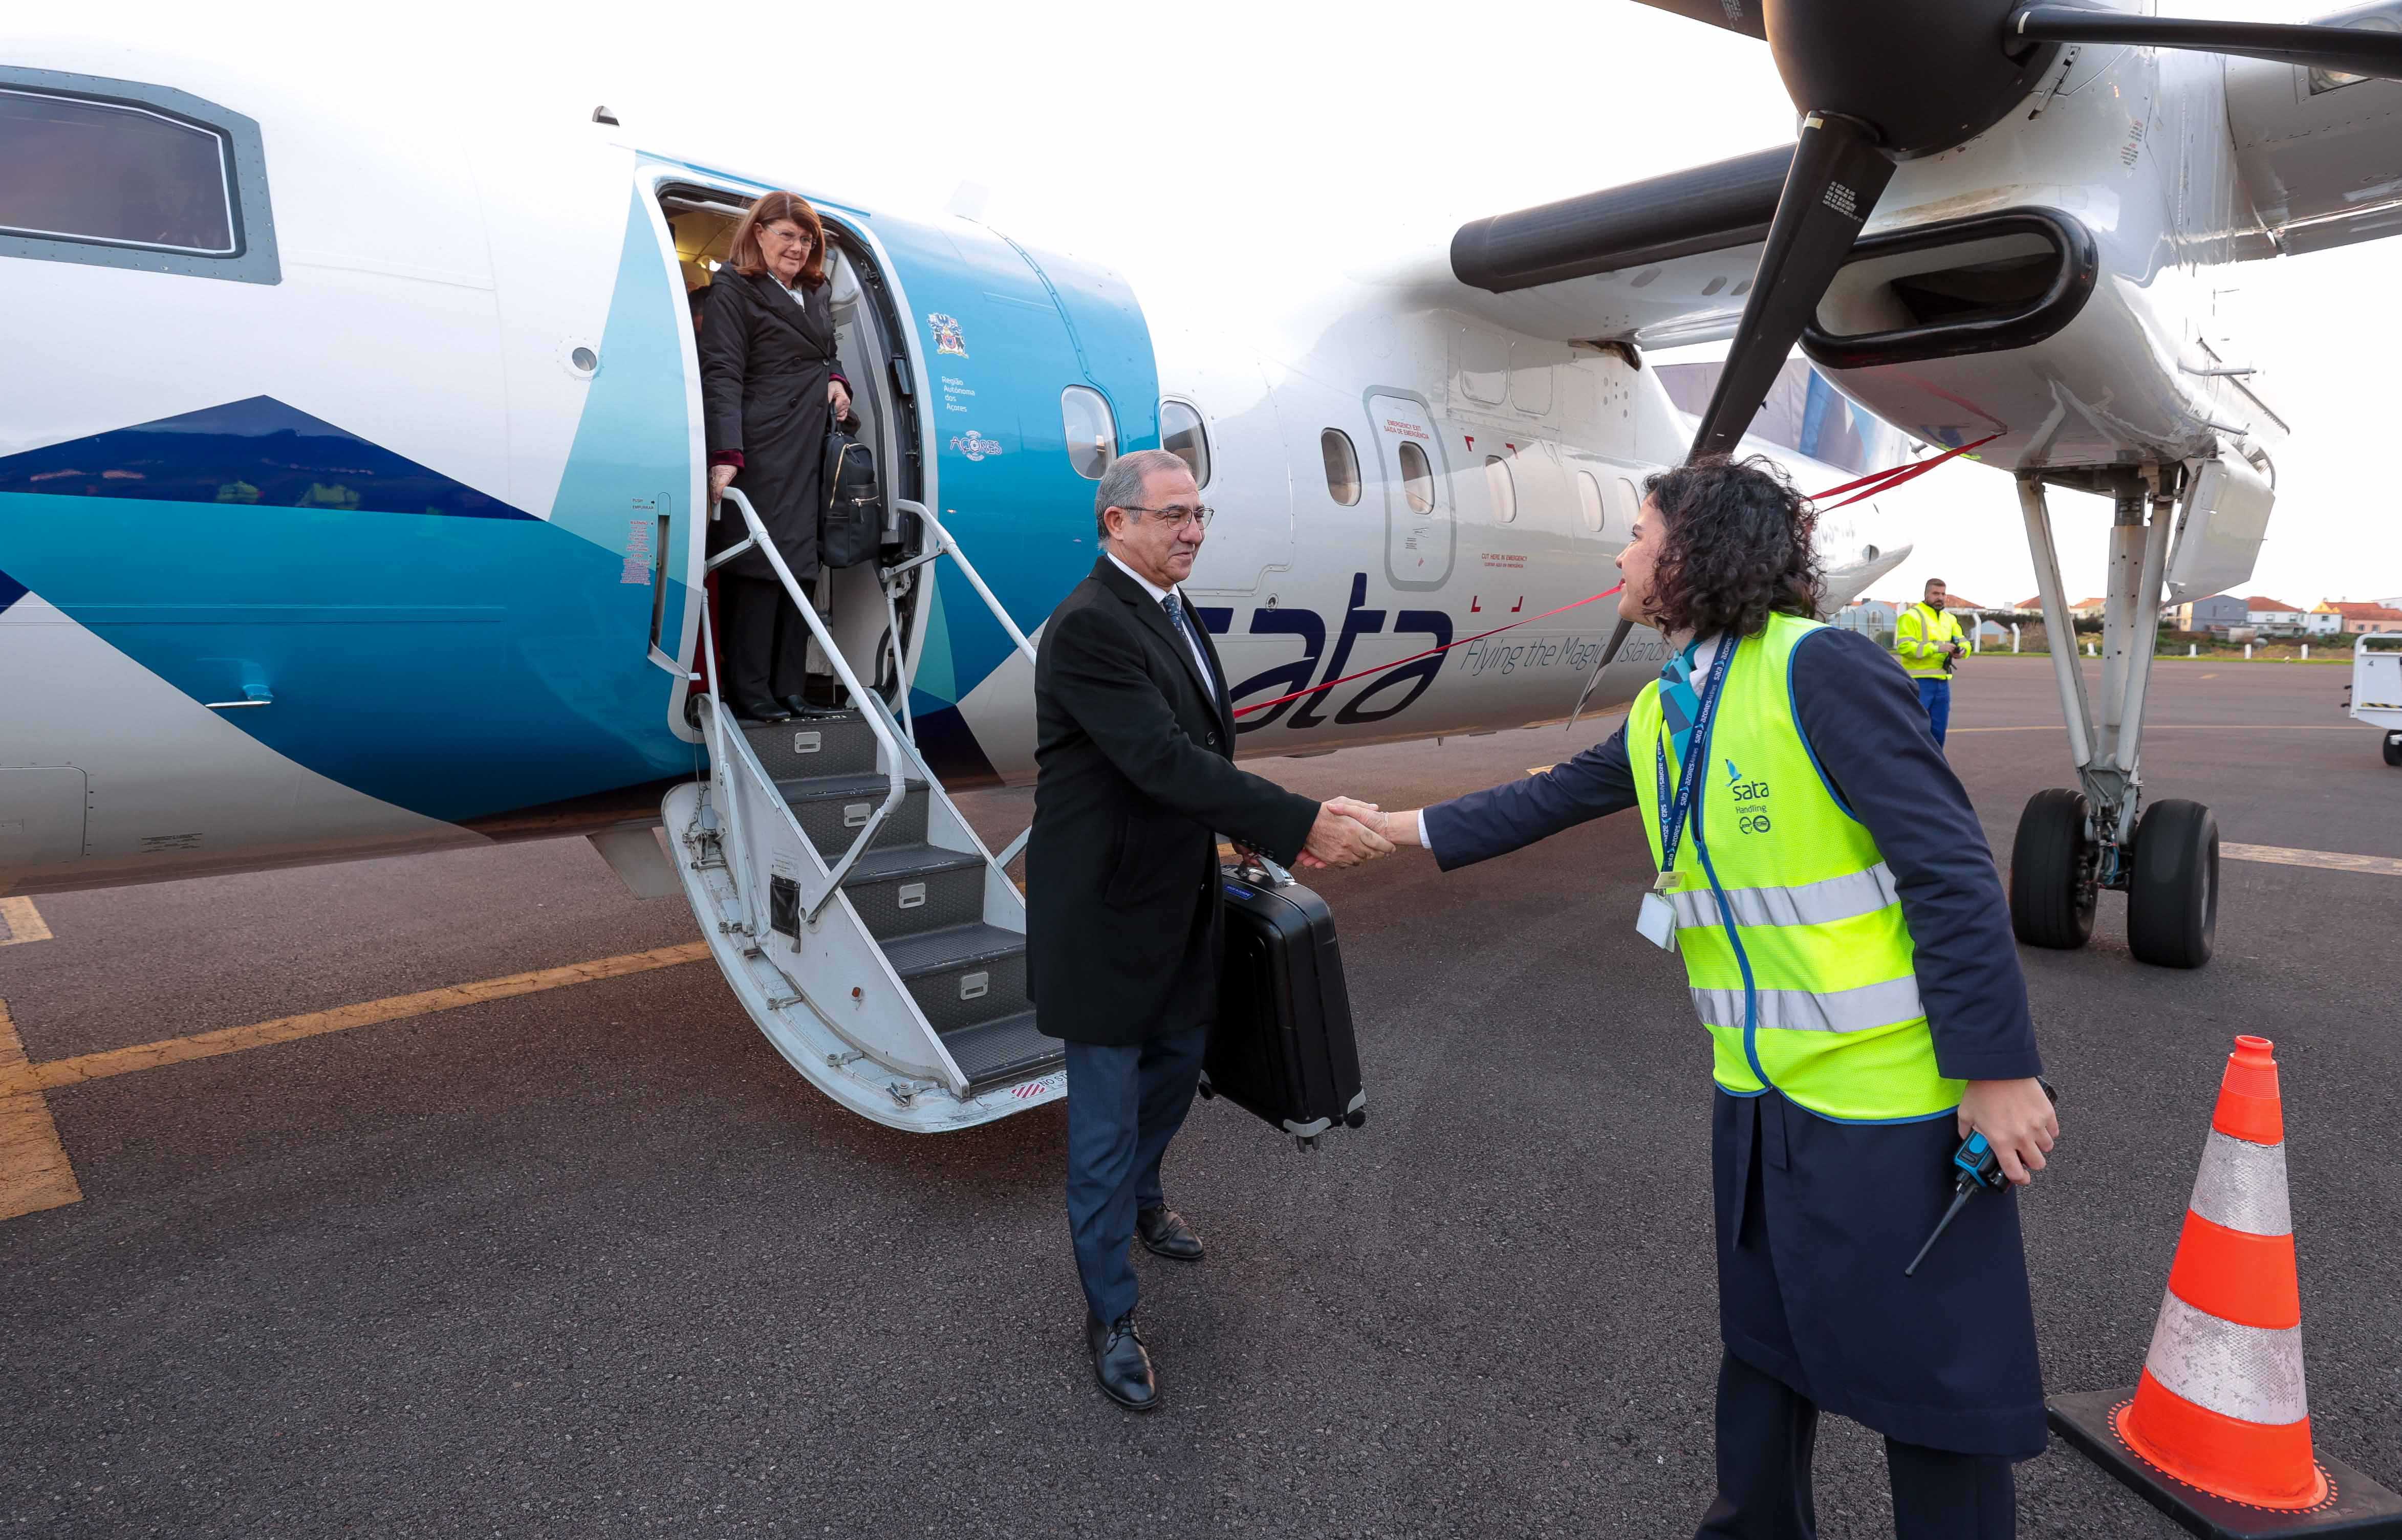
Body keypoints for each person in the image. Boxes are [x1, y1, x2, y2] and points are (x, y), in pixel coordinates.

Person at [1363, 458, 2058, 1539]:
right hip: (1757, 1094)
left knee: (1935, 1392)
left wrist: (1999, 1068)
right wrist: (1384, 828)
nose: (1621, 555)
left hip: (1890, 1103)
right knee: (1766, 1350)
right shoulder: (1665, 708)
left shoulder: (1820, 669)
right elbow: (1544, 798)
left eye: (1637, 534)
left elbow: (1950, 867)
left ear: (1693, 552)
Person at [1028, 448, 1393, 1413]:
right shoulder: (1089, 627)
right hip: (1104, 919)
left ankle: (1143, 1199)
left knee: (1176, 1074)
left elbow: (1196, 751)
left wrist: (1239, 829)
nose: (1193, 529)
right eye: (1173, 514)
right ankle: (1108, 1314)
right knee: (1102, 1129)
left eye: (1200, 513)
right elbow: (1157, 759)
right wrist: (1296, 818)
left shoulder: (1170, 610)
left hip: (1178, 901)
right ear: (1117, 524)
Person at [700, 191, 854, 724]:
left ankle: (790, 686)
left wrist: (836, 380)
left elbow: (825, 352)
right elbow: (721, 372)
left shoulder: (813, 291)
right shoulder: (733, 291)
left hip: (810, 442)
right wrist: (726, 453)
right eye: (786, 234)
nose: (797, 246)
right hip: (763, 443)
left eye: (806, 238)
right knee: (759, 564)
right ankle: (750, 691)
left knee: (802, 565)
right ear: (759, 233)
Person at [1895, 578, 1968, 745]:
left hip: (1942, 683)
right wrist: (1937, 648)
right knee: (1914, 731)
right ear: (1926, 594)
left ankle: (1935, 769)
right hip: (1918, 683)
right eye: (1936, 593)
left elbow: (1963, 641)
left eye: (1943, 594)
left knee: (1938, 732)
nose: (1940, 598)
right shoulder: (1911, 616)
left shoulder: (1949, 619)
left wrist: (1962, 651)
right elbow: (1905, 647)